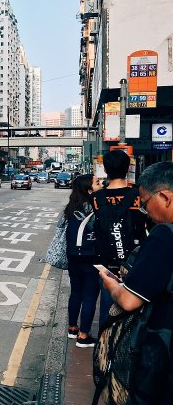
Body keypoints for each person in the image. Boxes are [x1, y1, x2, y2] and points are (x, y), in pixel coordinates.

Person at [99, 161, 173, 404]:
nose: (145, 211)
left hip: (162, 350)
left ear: (165, 197)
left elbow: (130, 300)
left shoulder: (164, 235)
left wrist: (113, 286)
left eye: (145, 203)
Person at [91, 150, 148, 327]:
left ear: (105, 170)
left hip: (106, 264)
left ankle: (104, 348)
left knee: (108, 307)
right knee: (136, 308)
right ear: (128, 168)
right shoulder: (138, 196)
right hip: (136, 261)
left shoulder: (96, 198)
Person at [65, 174, 104, 347]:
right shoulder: (97, 208)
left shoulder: (71, 207)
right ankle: (83, 336)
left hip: (72, 255)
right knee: (89, 296)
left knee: (76, 293)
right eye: (97, 183)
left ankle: (72, 328)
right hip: (91, 256)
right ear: (89, 190)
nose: (101, 184)